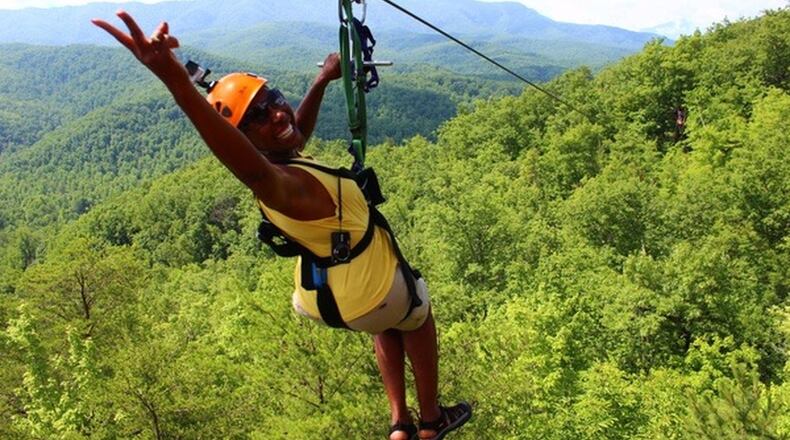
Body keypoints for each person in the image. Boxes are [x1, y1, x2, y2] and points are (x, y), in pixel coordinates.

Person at [92, 11, 471, 440]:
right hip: (373, 290)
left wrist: (322, 80)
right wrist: (175, 81)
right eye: (257, 117)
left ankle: (399, 423)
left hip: (335, 293)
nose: (275, 114)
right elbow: (249, 167)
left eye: (272, 99)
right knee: (416, 313)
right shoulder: (276, 184)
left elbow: (295, 135)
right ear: (243, 139)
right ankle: (431, 420)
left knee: (385, 321)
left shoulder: (284, 164)